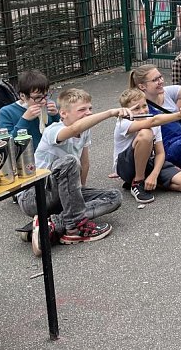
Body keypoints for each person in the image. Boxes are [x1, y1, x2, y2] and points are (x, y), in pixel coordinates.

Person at [18, 88, 128, 256]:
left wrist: (79, 193)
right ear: (64, 114)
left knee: (114, 196)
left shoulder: (84, 131)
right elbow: (73, 131)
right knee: (70, 161)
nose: (88, 113)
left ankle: (52, 224)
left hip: (64, 193)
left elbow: (86, 162)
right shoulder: (53, 130)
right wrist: (110, 113)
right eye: (82, 110)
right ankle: (74, 228)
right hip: (34, 195)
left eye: (90, 108)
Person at [113, 88, 181, 203]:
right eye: (136, 108)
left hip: (148, 162)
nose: (143, 111)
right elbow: (153, 122)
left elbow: (160, 153)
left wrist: (154, 174)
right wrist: (179, 115)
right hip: (126, 166)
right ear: (127, 111)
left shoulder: (153, 121)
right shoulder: (123, 123)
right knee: (146, 133)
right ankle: (138, 181)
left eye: (144, 105)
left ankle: (150, 182)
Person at [0, 69, 60, 149]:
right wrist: (25, 120)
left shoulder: (48, 108)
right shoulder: (6, 112)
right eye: (37, 97)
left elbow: (60, 133)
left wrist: (56, 116)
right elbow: (6, 145)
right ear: (22, 96)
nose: (43, 101)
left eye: (46, 96)